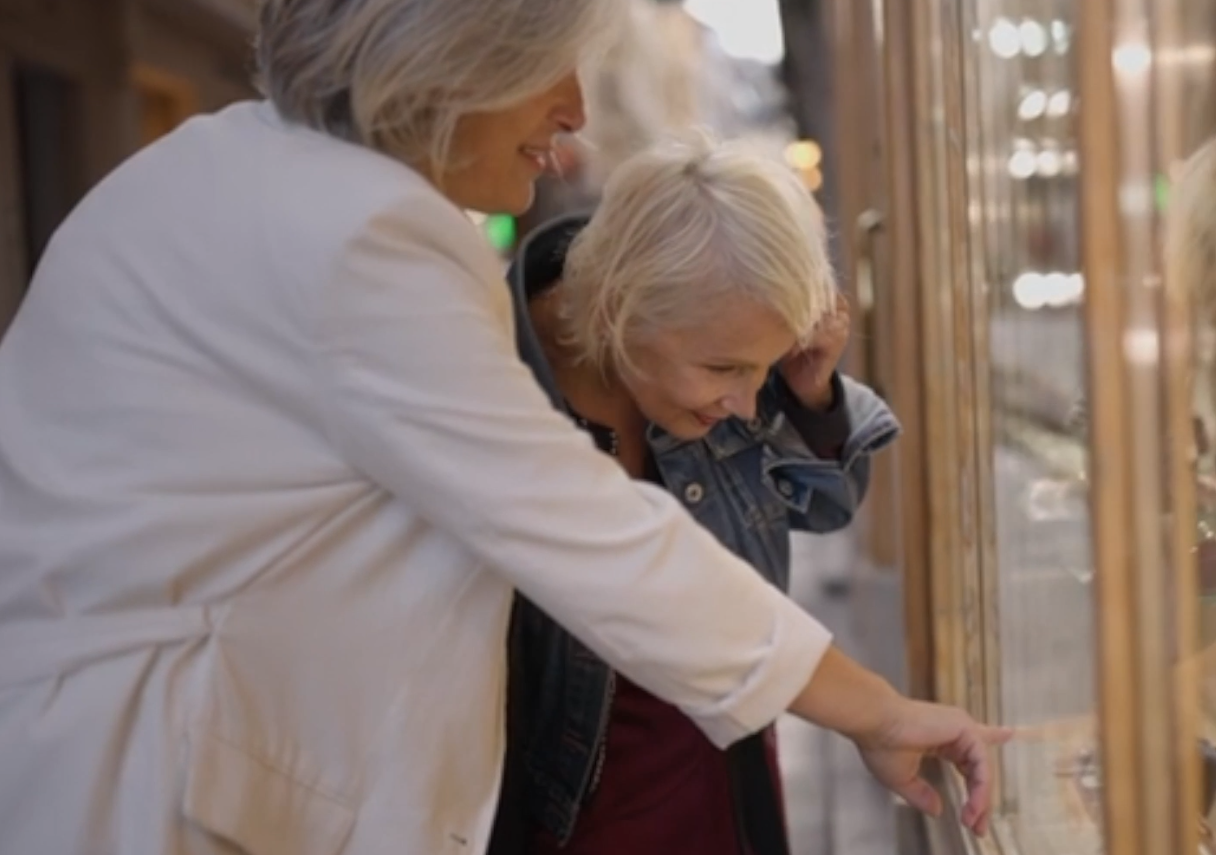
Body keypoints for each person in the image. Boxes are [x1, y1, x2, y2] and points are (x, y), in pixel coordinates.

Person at [0, 1, 1008, 853]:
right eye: (542, 65)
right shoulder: (361, 236)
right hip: (173, 791)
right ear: (449, 62)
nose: (571, 111)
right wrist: (876, 710)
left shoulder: (216, 170)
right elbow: (589, 533)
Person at [490, 134, 901, 855]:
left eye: (761, 369)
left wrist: (809, 394)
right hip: (562, 809)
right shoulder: (486, 378)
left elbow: (826, 504)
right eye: (724, 369)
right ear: (619, 309)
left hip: (723, 773)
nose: (744, 404)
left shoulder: (719, 339)